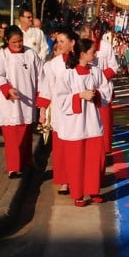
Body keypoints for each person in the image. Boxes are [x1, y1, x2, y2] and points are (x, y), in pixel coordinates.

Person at [54, 38, 112, 206]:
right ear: (83, 54)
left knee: (95, 159)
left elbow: (106, 90)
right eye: (93, 51)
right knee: (76, 160)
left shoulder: (96, 71)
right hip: (75, 125)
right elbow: (60, 99)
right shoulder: (68, 74)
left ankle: (94, 189)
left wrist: (97, 94)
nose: (96, 54)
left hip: (93, 123)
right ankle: (78, 194)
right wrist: (79, 96)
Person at [0, 25, 42, 179]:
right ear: (7, 40)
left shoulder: (31, 54)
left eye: (20, 41)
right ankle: (13, 167)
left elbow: (41, 76)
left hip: (27, 101)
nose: (18, 45)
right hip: (9, 103)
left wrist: (40, 96)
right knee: (11, 138)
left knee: (26, 136)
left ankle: (27, 162)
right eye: (14, 42)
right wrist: (7, 89)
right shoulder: (2, 56)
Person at [37, 28, 79, 195]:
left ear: (72, 43)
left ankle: (76, 178)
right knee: (60, 148)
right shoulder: (51, 65)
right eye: (58, 41)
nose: (59, 45)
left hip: (77, 112)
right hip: (60, 113)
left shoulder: (80, 62)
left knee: (75, 148)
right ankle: (64, 181)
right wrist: (42, 112)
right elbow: (46, 89)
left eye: (62, 41)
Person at [92, 27, 119, 154]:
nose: (96, 32)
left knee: (104, 119)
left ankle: (105, 147)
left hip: (103, 88)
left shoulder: (106, 46)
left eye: (98, 30)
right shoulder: (81, 44)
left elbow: (113, 67)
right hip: (85, 86)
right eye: (93, 30)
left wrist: (99, 77)